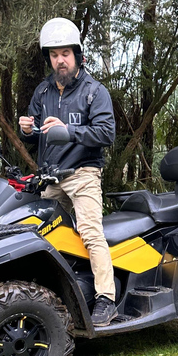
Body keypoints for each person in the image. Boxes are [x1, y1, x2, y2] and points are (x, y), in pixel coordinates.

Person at [18, 17, 117, 326]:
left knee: (89, 232)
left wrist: (69, 130)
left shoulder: (93, 92)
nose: (59, 60)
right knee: (39, 234)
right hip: (50, 176)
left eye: (65, 54)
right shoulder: (44, 92)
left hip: (83, 173)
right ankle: (52, 295)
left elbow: (106, 134)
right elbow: (36, 135)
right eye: (54, 54)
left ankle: (106, 298)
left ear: (77, 55)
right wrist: (27, 130)